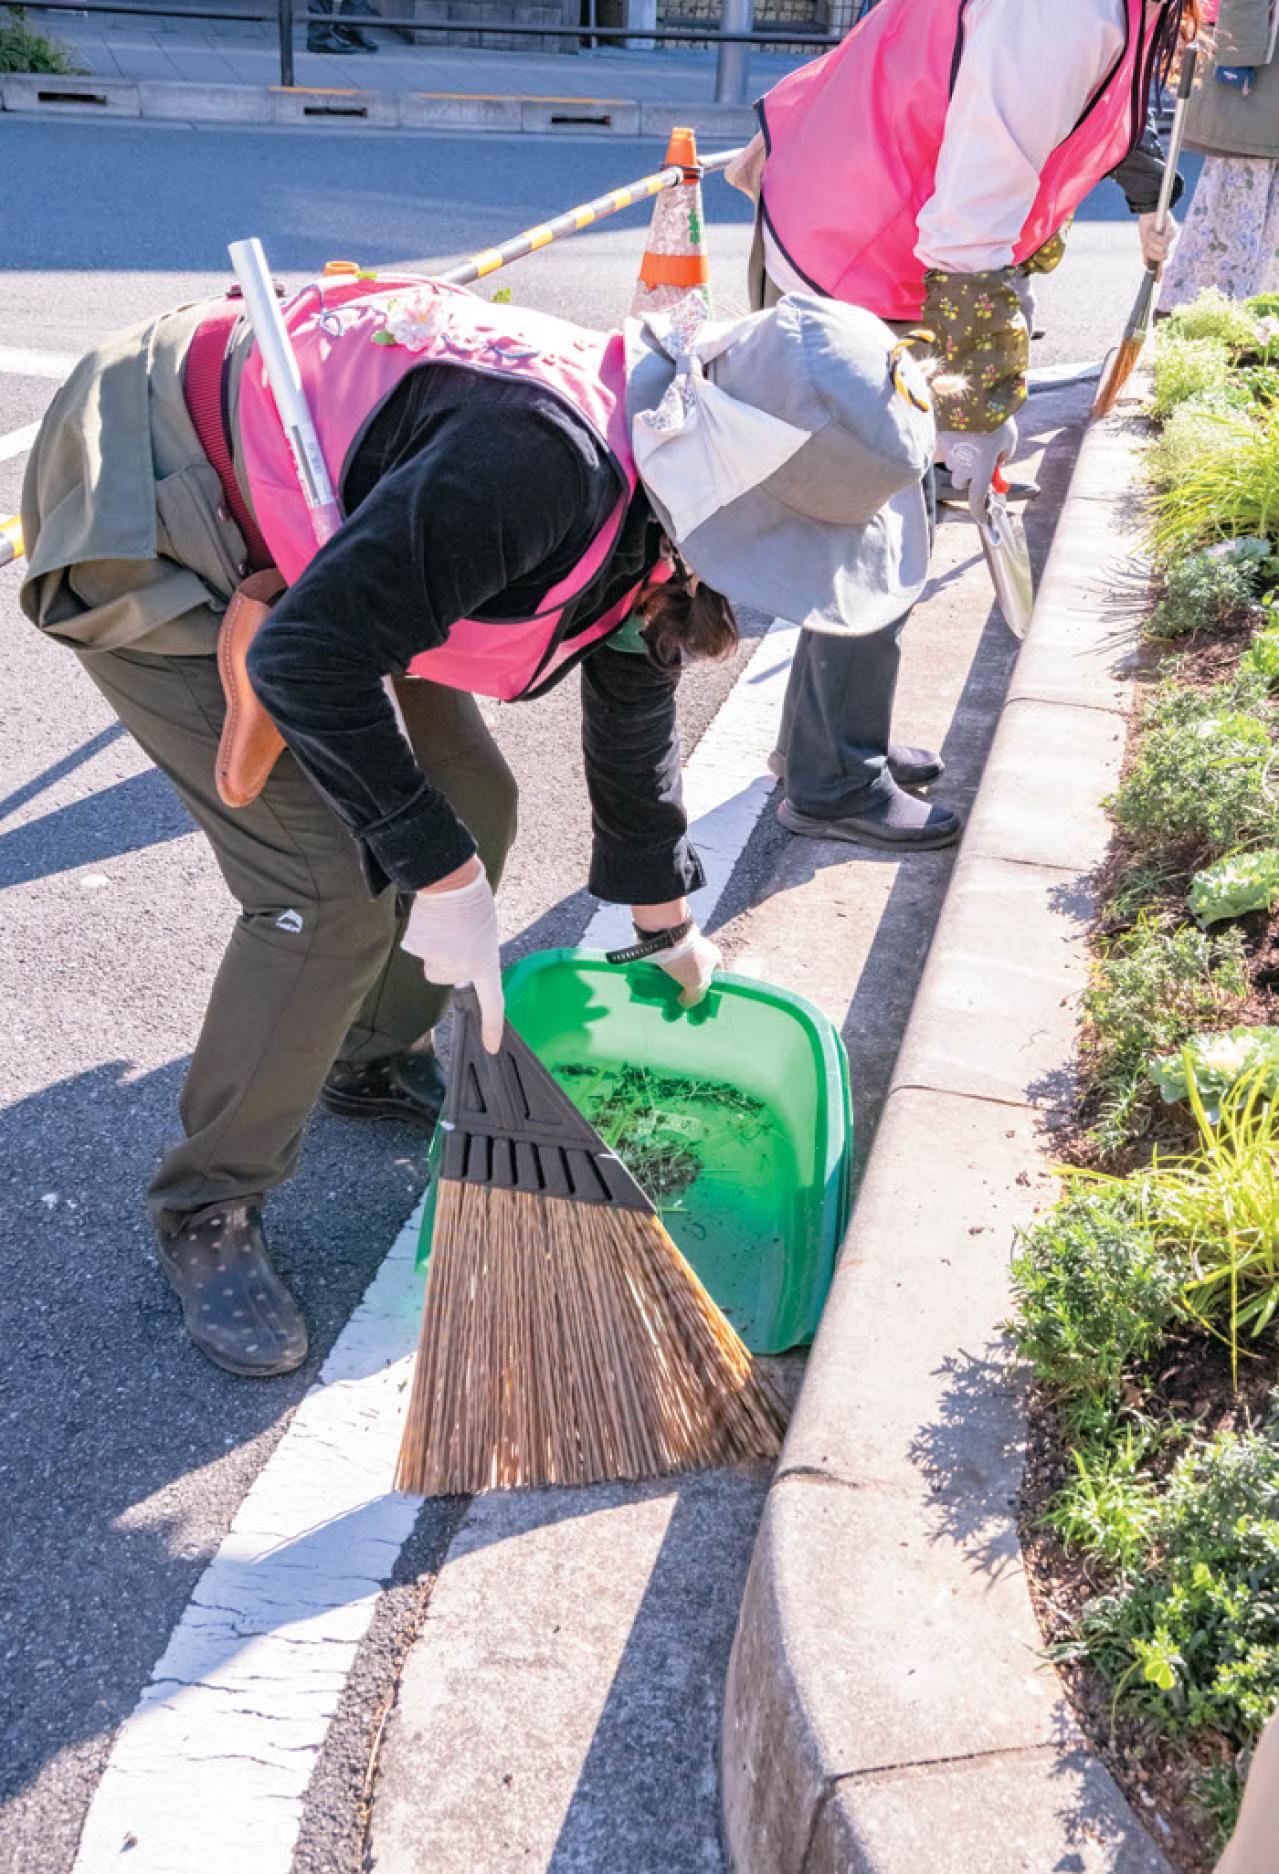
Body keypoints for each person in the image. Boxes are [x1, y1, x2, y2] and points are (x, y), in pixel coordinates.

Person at [20, 274, 933, 1379]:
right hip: (167, 486)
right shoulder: (539, 464)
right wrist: (439, 874)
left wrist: (663, 913)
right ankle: (209, 1197)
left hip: (337, 541)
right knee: (328, 883)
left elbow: (631, 691)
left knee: (477, 803)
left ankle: (365, 1054)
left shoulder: (665, 479)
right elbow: (305, 660)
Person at [728, 0, 1200, 853]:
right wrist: (973, 407)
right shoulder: (1064, 10)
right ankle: (832, 781)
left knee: (880, 510)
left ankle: (818, 752)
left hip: (865, 218)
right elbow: (970, 218)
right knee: (879, 515)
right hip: (856, 240)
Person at [1161, 0, 1279, 305]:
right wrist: (1236, 58)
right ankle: (1237, 317)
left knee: (1232, 217)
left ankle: (1207, 313)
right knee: (1242, 209)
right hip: (1259, 83)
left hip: (1255, 82)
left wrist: (1234, 58)